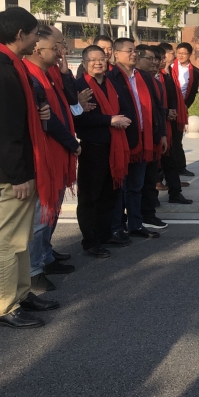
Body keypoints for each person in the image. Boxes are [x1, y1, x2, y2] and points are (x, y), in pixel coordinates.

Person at [0, 7, 58, 328]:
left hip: (23, 165)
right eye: (34, 34)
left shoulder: (13, 66)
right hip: (14, 171)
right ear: (20, 34)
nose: (37, 41)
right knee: (9, 240)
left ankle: (21, 294)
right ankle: (4, 306)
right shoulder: (2, 72)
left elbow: (17, 117)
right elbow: (2, 130)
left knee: (20, 239)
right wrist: (18, 175)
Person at [23, 27, 80, 292]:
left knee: (49, 214)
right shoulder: (30, 78)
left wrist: (66, 73)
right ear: (37, 49)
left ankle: (45, 257)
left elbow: (70, 102)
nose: (60, 52)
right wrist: (72, 143)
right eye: (56, 47)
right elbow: (51, 121)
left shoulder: (50, 74)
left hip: (56, 154)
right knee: (40, 217)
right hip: (43, 156)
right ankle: (32, 271)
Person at [74, 45, 132, 258]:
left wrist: (119, 119)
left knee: (110, 194)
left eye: (101, 59)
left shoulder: (112, 83)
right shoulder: (79, 86)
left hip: (115, 147)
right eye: (92, 60)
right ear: (84, 63)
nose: (98, 63)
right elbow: (79, 119)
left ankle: (104, 234)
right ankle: (90, 241)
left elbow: (126, 109)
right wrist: (109, 120)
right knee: (90, 197)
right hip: (93, 148)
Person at [107, 38, 166, 240]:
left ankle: (136, 224)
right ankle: (116, 227)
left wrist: (162, 134)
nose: (134, 54)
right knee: (118, 188)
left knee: (136, 187)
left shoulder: (144, 77)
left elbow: (157, 108)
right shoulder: (111, 77)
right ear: (116, 53)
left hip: (143, 139)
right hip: (121, 139)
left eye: (135, 51)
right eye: (129, 51)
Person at [136, 44, 169, 231]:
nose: (154, 62)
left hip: (153, 137)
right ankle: (136, 216)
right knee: (136, 183)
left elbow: (160, 110)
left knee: (150, 179)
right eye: (150, 59)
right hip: (137, 139)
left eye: (156, 59)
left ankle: (148, 214)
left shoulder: (155, 82)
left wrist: (163, 134)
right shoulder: (130, 80)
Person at [157, 45, 193, 204]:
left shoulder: (168, 74)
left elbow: (172, 95)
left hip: (170, 121)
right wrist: (166, 112)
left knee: (170, 159)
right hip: (158, 124)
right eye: (172, 52)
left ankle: (175, 192)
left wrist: (172, 110)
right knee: (158, 162)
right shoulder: (153, 77)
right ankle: (155, 192)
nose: (175, 55)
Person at [172, 42, 199, 177]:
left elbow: (193, 91)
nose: (181, 56)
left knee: (177, 139)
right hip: (169, 106)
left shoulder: (194, 71)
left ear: (190, 54)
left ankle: (180, 167)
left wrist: (185, 105)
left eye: (184, 53)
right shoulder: (170, 67)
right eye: (179, 53)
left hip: (181, 108)